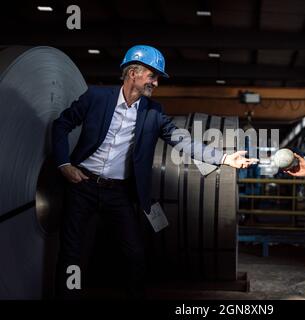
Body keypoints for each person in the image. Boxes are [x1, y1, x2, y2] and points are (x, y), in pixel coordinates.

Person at [52, 45, 257, 299]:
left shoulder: (153, 112)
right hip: (81, 185)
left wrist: (225, 158)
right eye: (153, 75)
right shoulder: (96, 97)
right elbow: (61, 124)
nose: (156, 83)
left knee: (135, 254)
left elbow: (183, 141)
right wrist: (64, 165)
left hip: (119, 194)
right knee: (72, 252)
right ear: (133, 73)